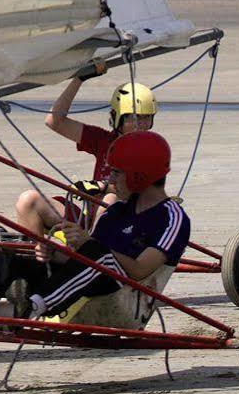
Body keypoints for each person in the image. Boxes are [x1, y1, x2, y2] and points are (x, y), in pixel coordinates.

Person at [0, 131, 189, 320]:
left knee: (97, 256)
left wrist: (88, 244)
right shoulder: (116, 212)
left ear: (138, 175)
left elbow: (139, 270)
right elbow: (82, 260)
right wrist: (54, 252)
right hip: (85, 287)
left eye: (115, 173)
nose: (109, 180)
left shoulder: (171, 217)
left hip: (124, 299)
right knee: (15, 258)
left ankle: (33, 305)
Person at [12, 61, 157, 258]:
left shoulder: (152, 149)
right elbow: (55, 121)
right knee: (28, 200)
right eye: (134, 117)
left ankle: (93, 256)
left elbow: (140, 191)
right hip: (88, 220)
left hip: (126, 223)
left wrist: (103, 187)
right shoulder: (103, 140)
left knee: (110, 200)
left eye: (146, 118)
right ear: (117, 118)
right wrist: (79, 79)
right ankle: (35, 257)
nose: (141, 124)